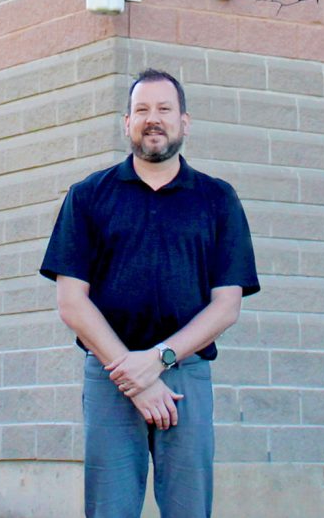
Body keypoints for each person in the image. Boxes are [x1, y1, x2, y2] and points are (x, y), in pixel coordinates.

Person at [40, 68, 260, 518]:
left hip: (186, 375)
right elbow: (71, 301)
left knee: (189, 509)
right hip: (109, 375)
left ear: (185, 121)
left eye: (164, 109)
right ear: (126, 123)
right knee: (110, 510)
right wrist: (131, 373)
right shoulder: (88, 197)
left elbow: (227, 305)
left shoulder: (217, 200)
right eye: (142, 110)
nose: (153, 119)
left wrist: (157, 361)